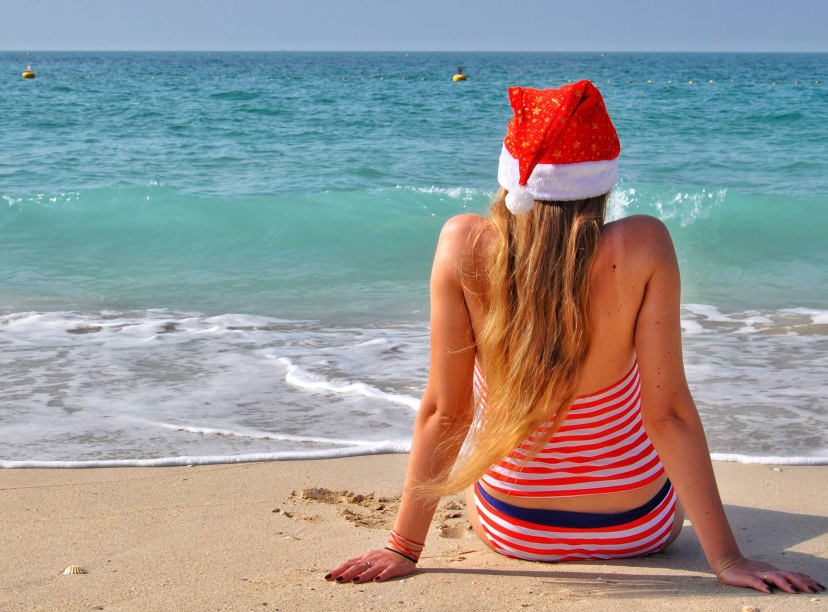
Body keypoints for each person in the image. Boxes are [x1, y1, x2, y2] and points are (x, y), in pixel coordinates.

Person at [325, 81, 824, 595]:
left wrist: (402, 547)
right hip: (638, 526)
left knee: (488, 458)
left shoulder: (464, 244)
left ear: (510, 174)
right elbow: (667, 414)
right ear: (602, 180)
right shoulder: (643, 245)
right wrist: (727, 559)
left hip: (513, 528)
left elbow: (445, 413)